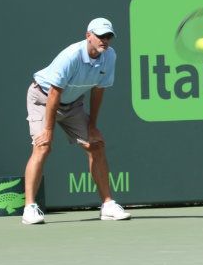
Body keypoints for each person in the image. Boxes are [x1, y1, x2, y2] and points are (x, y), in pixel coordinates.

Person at [22, 18, 131, 225]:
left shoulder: (110, 57)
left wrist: (92, 125)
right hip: (43, 98)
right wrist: (48, 129)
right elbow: (54, 93)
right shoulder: (71, 56)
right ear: (88, 35)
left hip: (72, 103)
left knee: (96, 145)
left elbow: (98, 91)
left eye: (108, 37)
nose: (105, 40)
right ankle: (29, 208)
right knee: (42, 146)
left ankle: (108, 205)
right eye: (100, 36)